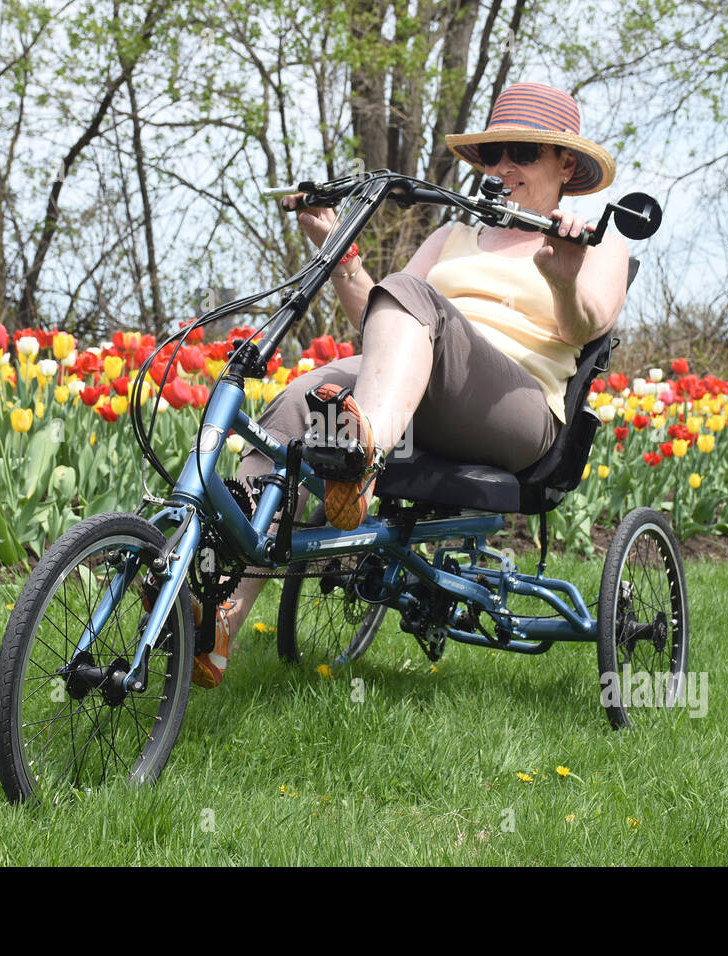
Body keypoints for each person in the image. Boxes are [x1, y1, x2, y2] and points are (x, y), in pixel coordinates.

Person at [191, 81, 630, 688]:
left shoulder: (595, 243)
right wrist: (341, 257)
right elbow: (383, 323)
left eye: (523, 152)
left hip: (517, 412)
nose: (504, 165)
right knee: (299, 401)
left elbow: (590, 322)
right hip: (417, 405)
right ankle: (217, 618)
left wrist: (562, 273)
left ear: (566, 164)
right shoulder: (450, 236)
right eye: (494, 152)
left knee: (412, 295)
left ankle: (360, 458)